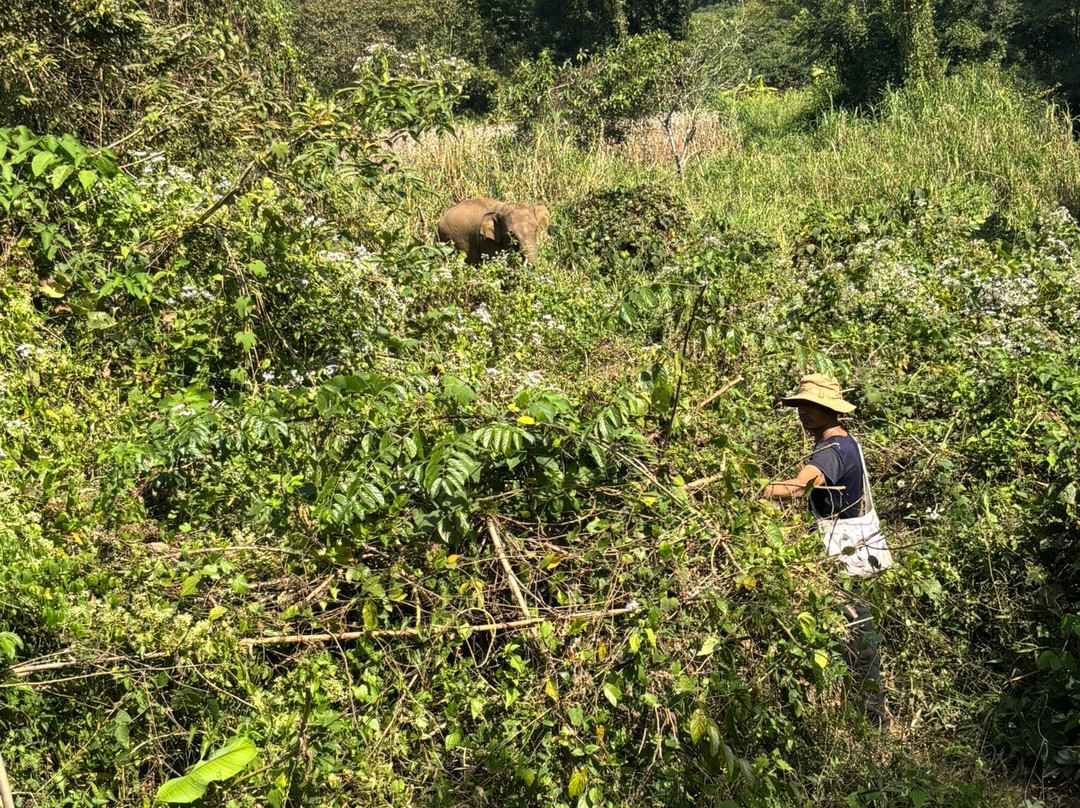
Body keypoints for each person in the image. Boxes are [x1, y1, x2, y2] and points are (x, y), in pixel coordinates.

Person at [762, 373, 889, 730]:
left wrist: (752, 488)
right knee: (857, 634)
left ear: (830, 409)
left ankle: (871, 723)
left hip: (844, 559)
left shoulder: (831, 450)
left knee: (857, 639)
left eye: (810, 406)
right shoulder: (847, 442)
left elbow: (797, 487)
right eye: (800, 405)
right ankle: (865, 720)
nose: (803, 412)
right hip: (855, 555)